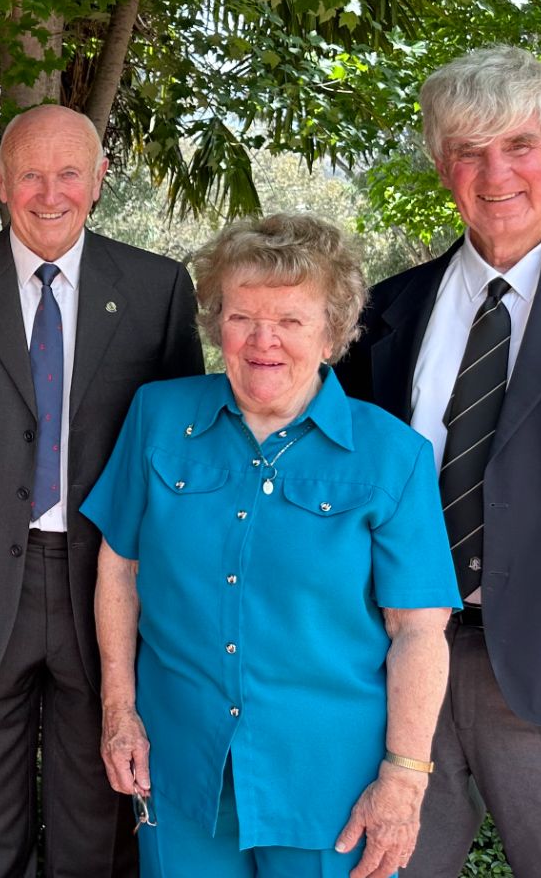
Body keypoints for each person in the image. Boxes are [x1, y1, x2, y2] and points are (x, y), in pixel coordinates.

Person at [336, 45, 541, 878]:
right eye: (469, 152)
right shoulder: (387, 312)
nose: (497, 174)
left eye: (518, 145)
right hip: (398, 671)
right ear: (442, 166)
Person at [86, 214, 459, 878]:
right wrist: (120, 710)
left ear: (332, 331)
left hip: (331, 785)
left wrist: (404, 777)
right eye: (241, 318)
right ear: (215, 323)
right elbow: (120, 568)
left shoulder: (393, 456)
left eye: (290, 320)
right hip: (180, 766)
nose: (264, 342)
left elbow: (419, 633)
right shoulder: (158, 416)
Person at [0, 104, 203, 877]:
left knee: (95, 827)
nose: (49, 192)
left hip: (106, 588)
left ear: (99, 180)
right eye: (29, 173)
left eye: (69, 172)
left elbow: (178, 457)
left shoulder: (158, 289)